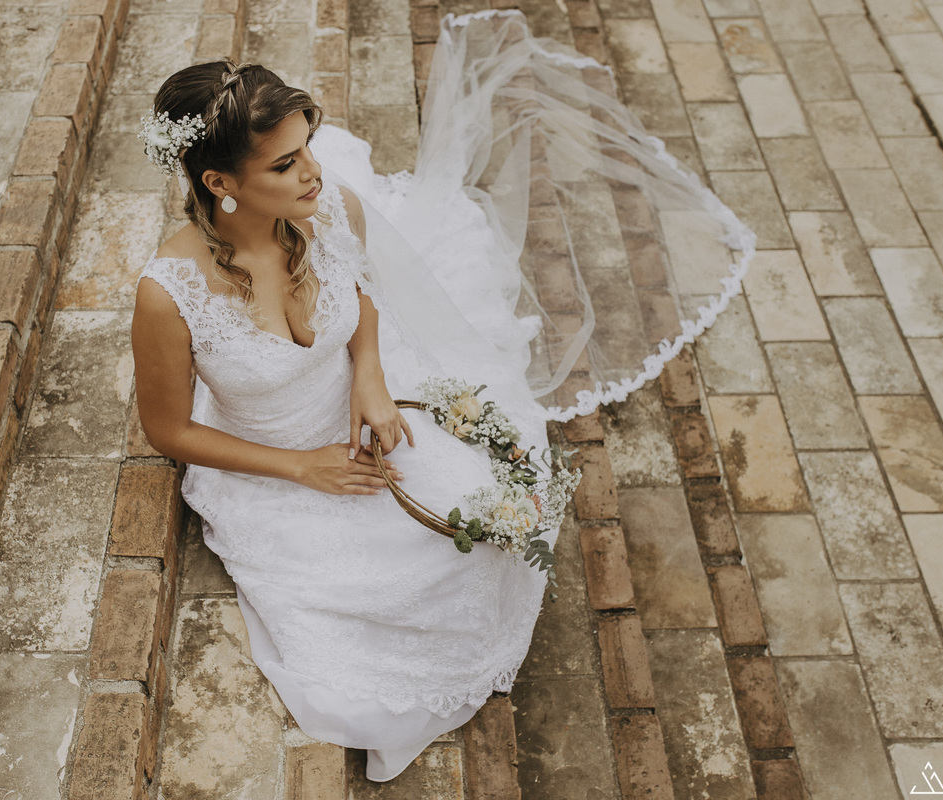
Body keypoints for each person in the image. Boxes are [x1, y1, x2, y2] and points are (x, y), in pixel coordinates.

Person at [132, 10, 754, 782]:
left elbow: (358, 298)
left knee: (480, 509)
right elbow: (166, 430)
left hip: (365, 410)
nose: (313, 175)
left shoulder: (326, 213)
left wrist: (371, 378)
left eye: (308, 150)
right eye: (285, 165)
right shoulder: (171, 294)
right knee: (392, 588)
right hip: (272, 460)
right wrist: (304, 470)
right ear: (219, 183)